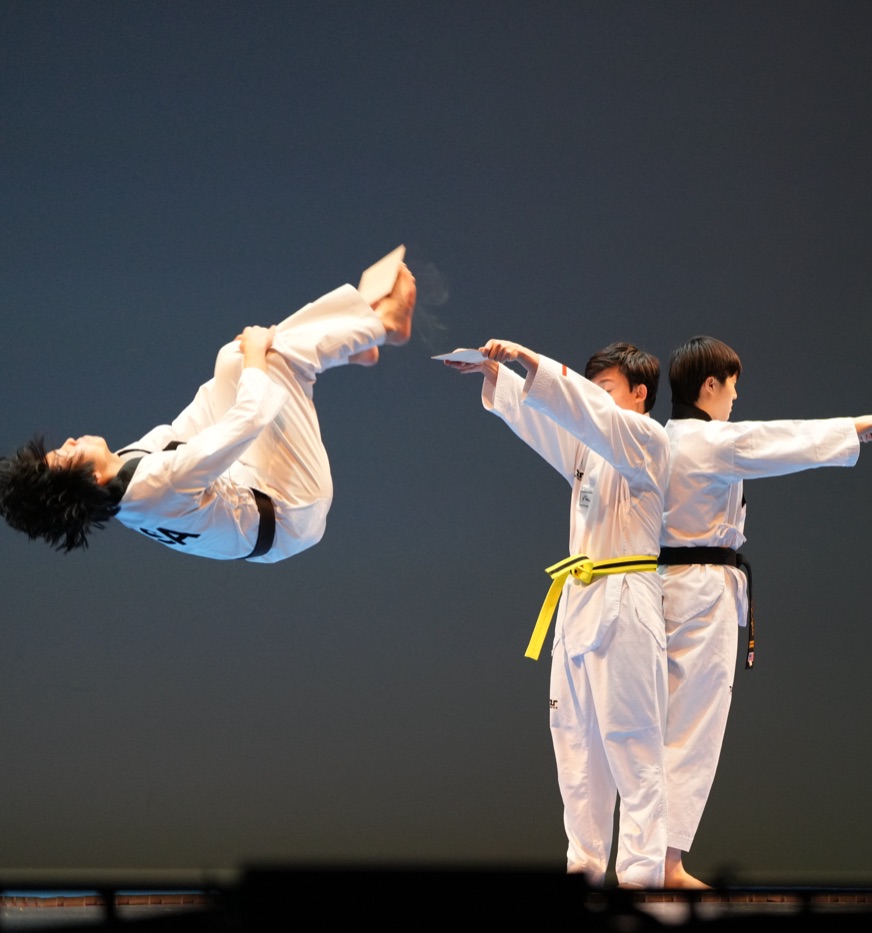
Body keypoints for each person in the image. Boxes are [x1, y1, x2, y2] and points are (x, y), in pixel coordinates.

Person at [658, 335, 872, 888]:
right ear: (709, 386)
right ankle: (665, 864)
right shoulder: (711, 441)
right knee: (691, 728)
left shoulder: (656, 439)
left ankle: (643, 860)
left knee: (649, 730)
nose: (734, 401)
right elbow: (786, 441)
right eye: (731, 389)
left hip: (653, 586)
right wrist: (863, 425)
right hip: (700, 595)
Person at [0, 262, 417, 562]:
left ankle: (351, 341)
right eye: (66, 453)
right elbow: (248, 421)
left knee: (233, 357)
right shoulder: (154, 486)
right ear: (88, 478)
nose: (70, 440)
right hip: (294, 506)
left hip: (259, 498)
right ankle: (382, 325)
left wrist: (241, 362)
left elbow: (195, 423)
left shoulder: (121, 478)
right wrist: (257, 357)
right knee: (266, 362)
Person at [446, 339, 670, 889]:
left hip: (627, 599)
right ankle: (584, 872)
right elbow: (543, 419)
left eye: (607, 390)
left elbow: (577, 408)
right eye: (591, 389)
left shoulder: (647, 438)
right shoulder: (587, 452)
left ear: (639, 395)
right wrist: (498, 373)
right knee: (574, 743)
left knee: (632, 742)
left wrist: (530, 359)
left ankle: (641, 880)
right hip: (579, 601)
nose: (594, 400)